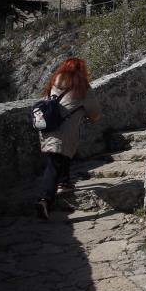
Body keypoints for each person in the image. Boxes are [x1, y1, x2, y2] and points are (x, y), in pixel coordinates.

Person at [36, 57, 102, 220]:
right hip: (65, 129)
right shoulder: (81, 85)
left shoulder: (54, 80)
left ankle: (64, 183)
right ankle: (45, 199)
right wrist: (92, 116)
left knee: (59, 155)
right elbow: (93, 110)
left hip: (47, 125)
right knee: (54, 163)